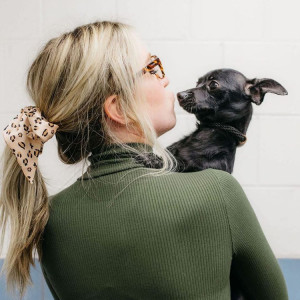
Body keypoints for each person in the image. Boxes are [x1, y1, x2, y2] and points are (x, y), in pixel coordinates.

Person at [0, 20, 288, 300]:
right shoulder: (217, 191)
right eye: (152, 68)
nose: (166, 78)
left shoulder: (47, 218)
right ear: (119, 108)